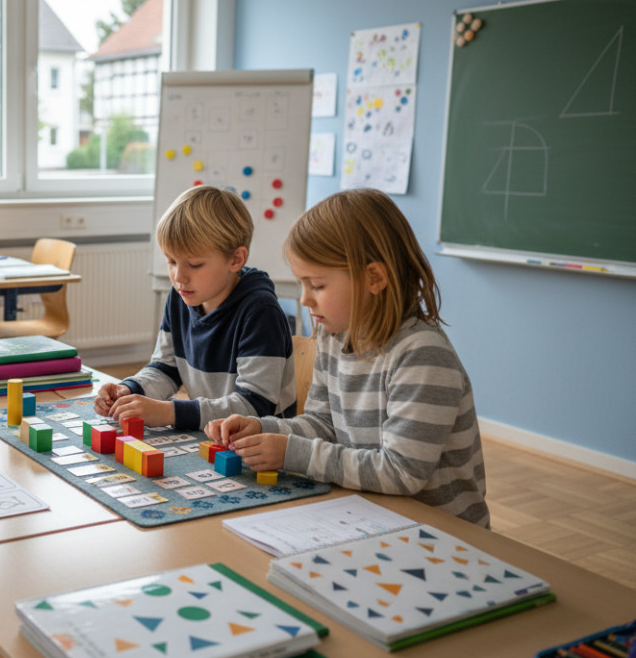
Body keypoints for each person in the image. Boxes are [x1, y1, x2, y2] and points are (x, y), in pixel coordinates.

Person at [205, 188, 489, 527]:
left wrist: (290, 452)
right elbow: (323, 425)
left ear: (374, 278)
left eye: (317, 285)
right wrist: (262, 429)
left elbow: (401, 473)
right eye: (302, 283)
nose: (305, 299)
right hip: (371, 514)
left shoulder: (423, 357)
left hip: (441, 533)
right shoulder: (334, 336)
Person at [94, 184, 295, 431]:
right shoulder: (181, 296)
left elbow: (254, 405)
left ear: (235, 260)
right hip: (211, 435)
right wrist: (129, 389)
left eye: (195, 264)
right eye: (171, 261)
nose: (179, 276)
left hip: (262, 447)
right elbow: (166, 368)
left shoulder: (261, 312)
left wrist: (170, 412)